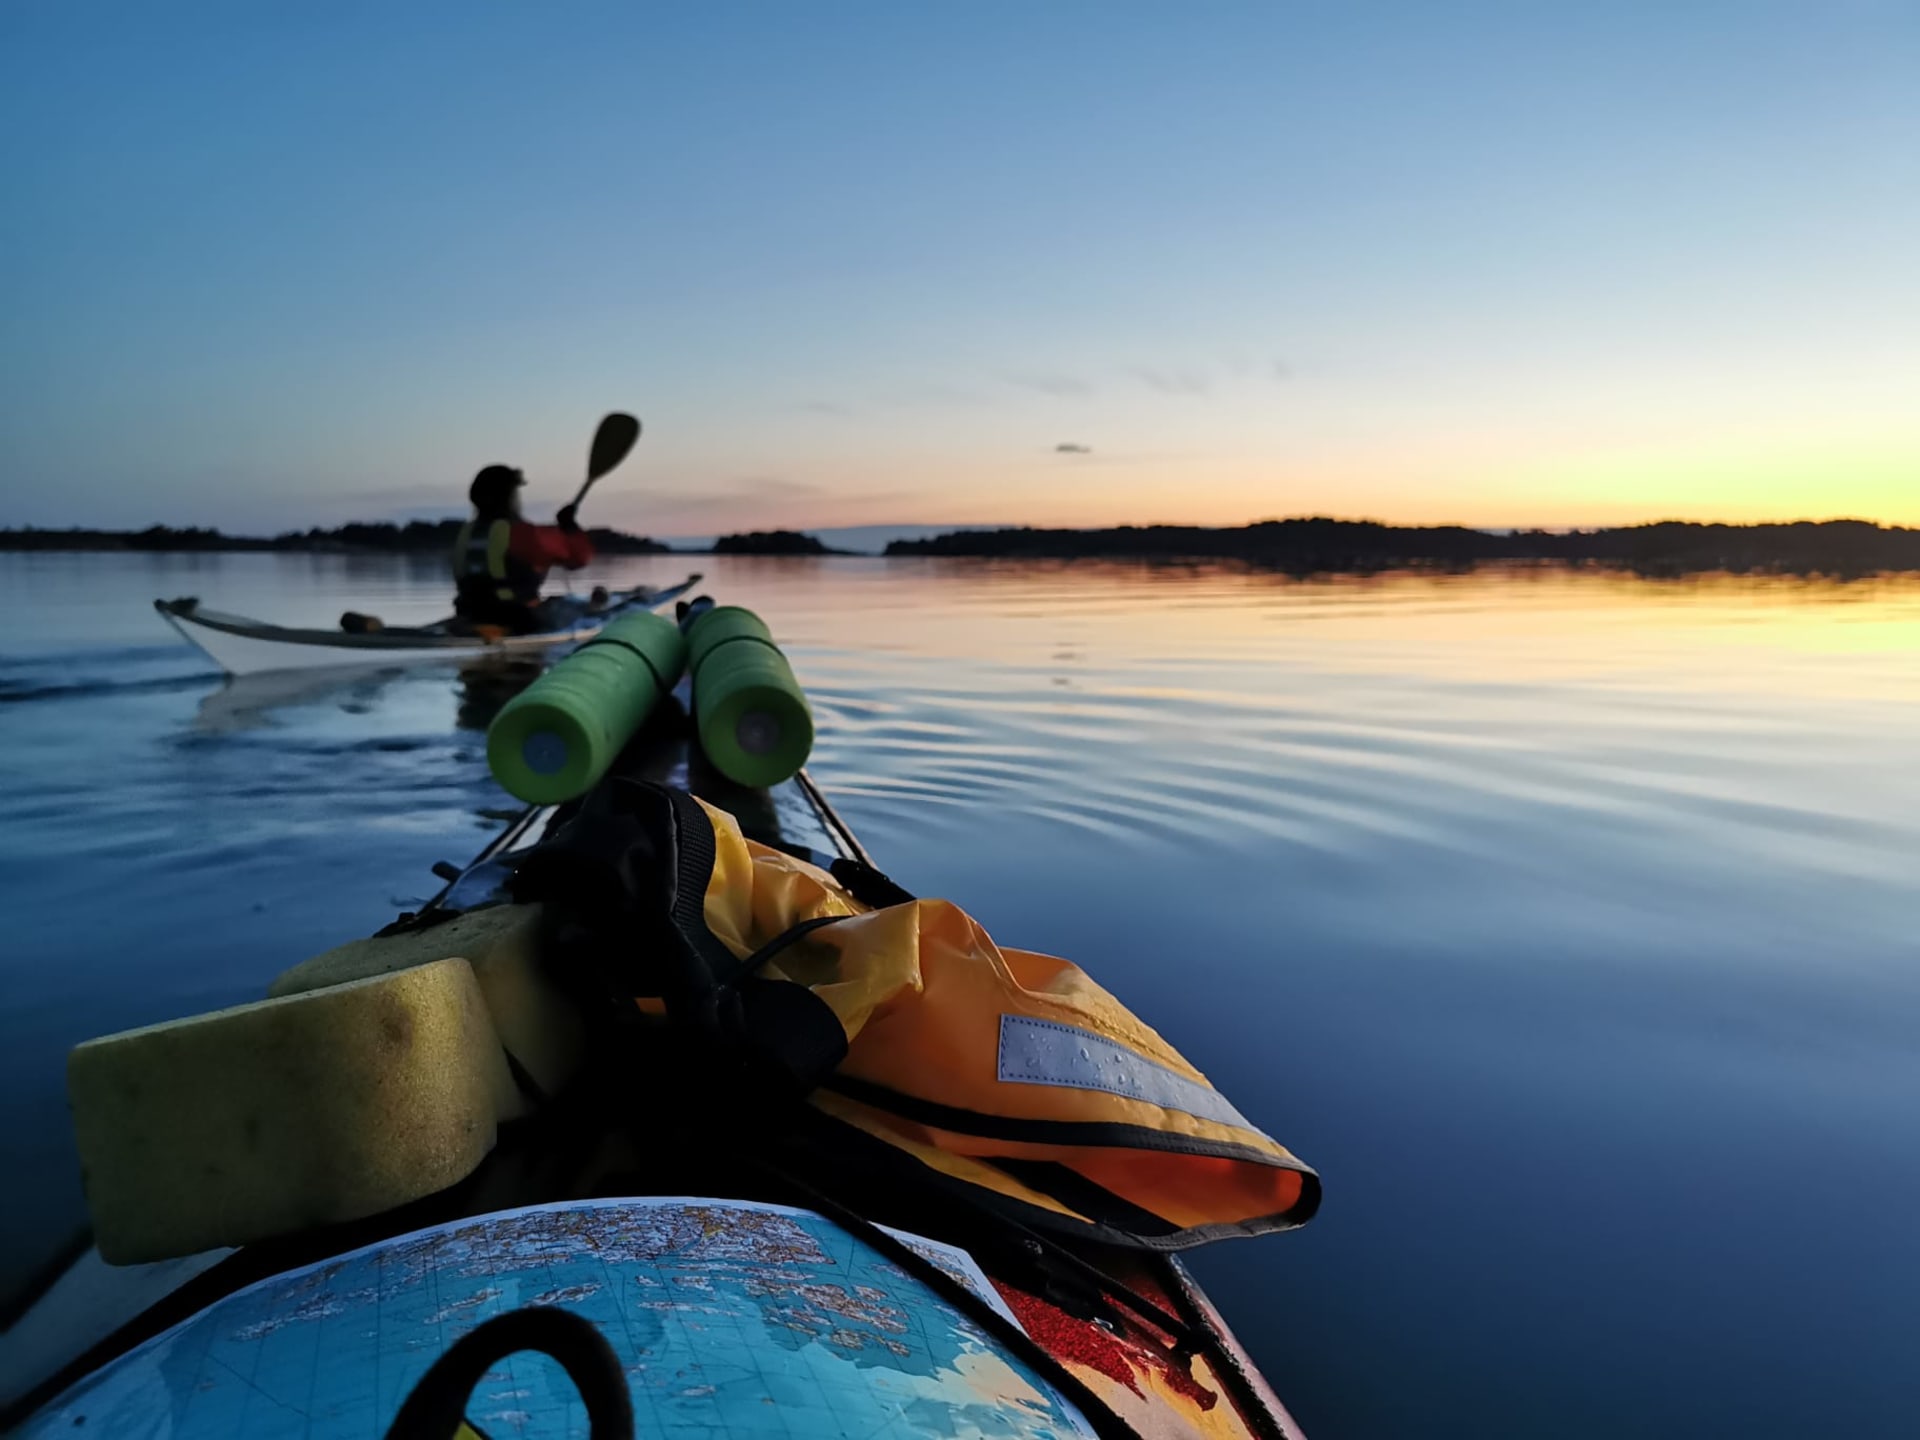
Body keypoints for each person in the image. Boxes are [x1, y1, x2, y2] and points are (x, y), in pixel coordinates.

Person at [452, 464, 596, 632]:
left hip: (468, 613)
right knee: (576, 609)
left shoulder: (465, 532)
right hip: (518, 619)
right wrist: (569, 526)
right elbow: (580, 558)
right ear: (509, 497)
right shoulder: (523, 534)